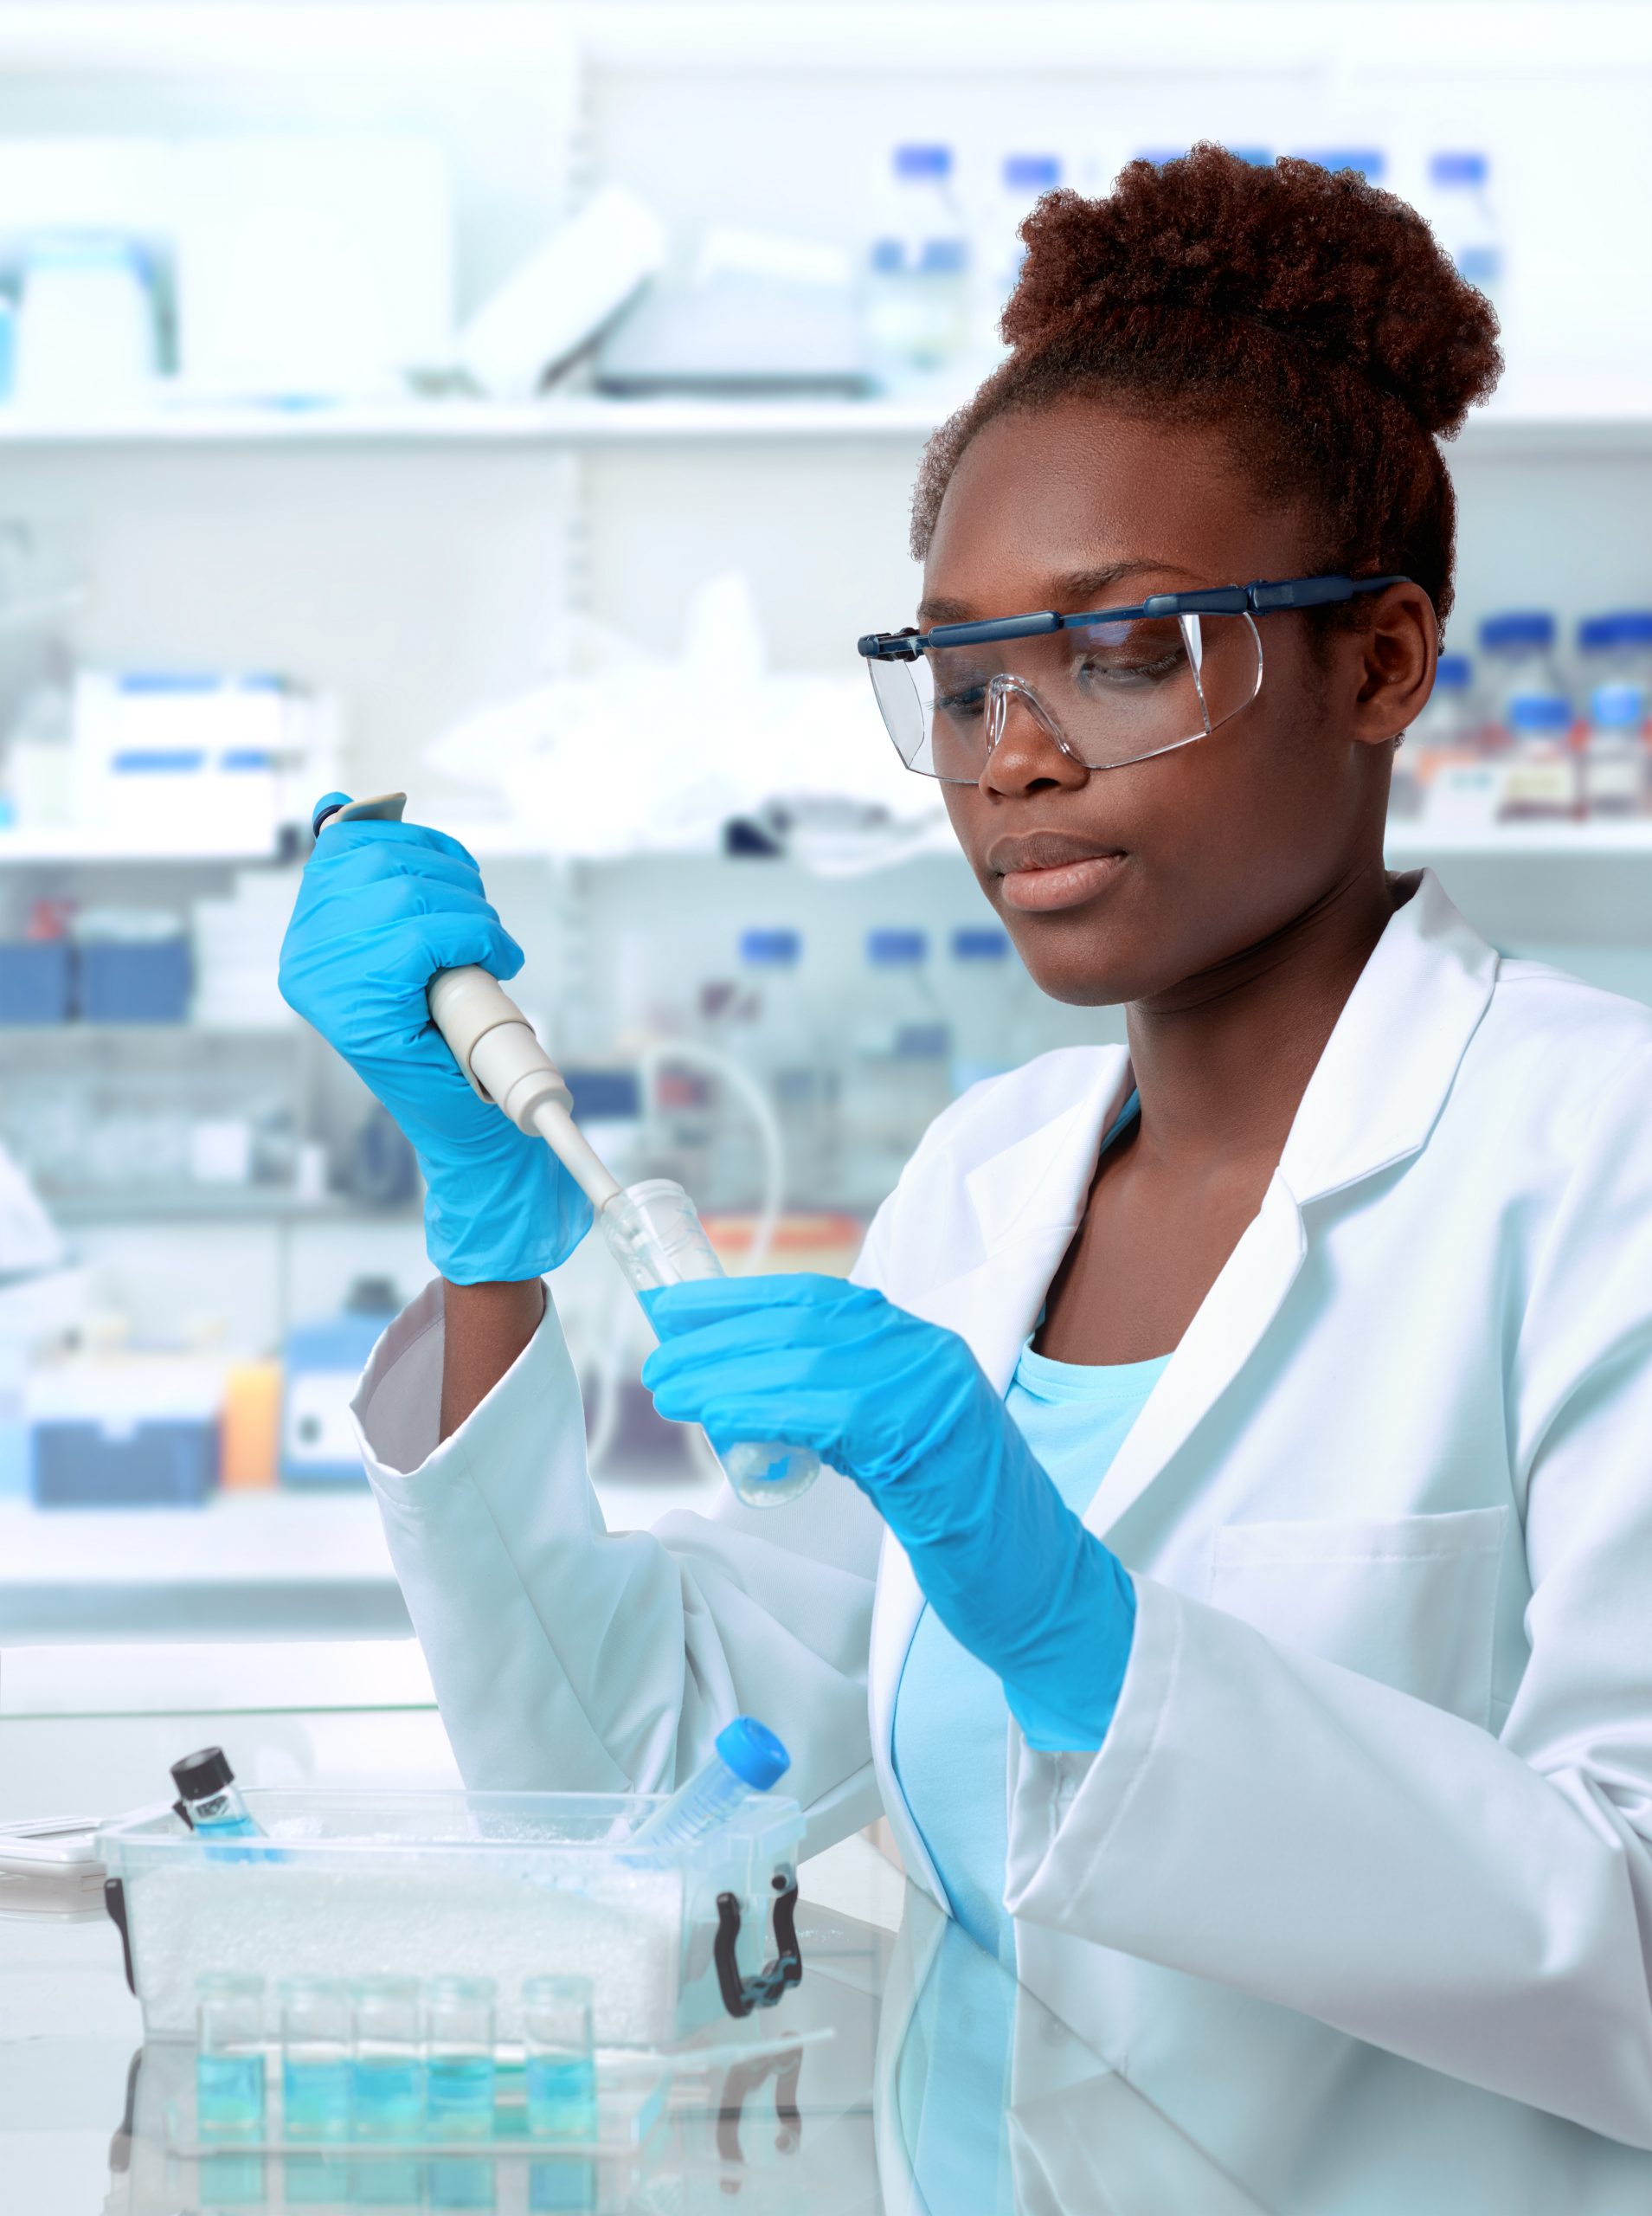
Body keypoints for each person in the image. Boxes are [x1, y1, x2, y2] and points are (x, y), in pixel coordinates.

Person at [279, 147, 1652, 2148]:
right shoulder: (988, 1179)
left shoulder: (1594, 1163)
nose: (1014, 751)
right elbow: (661, 1772)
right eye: (963, 674)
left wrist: (1090, 1645)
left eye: (1127, 652)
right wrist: (494, 1251)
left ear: (1379, 659)